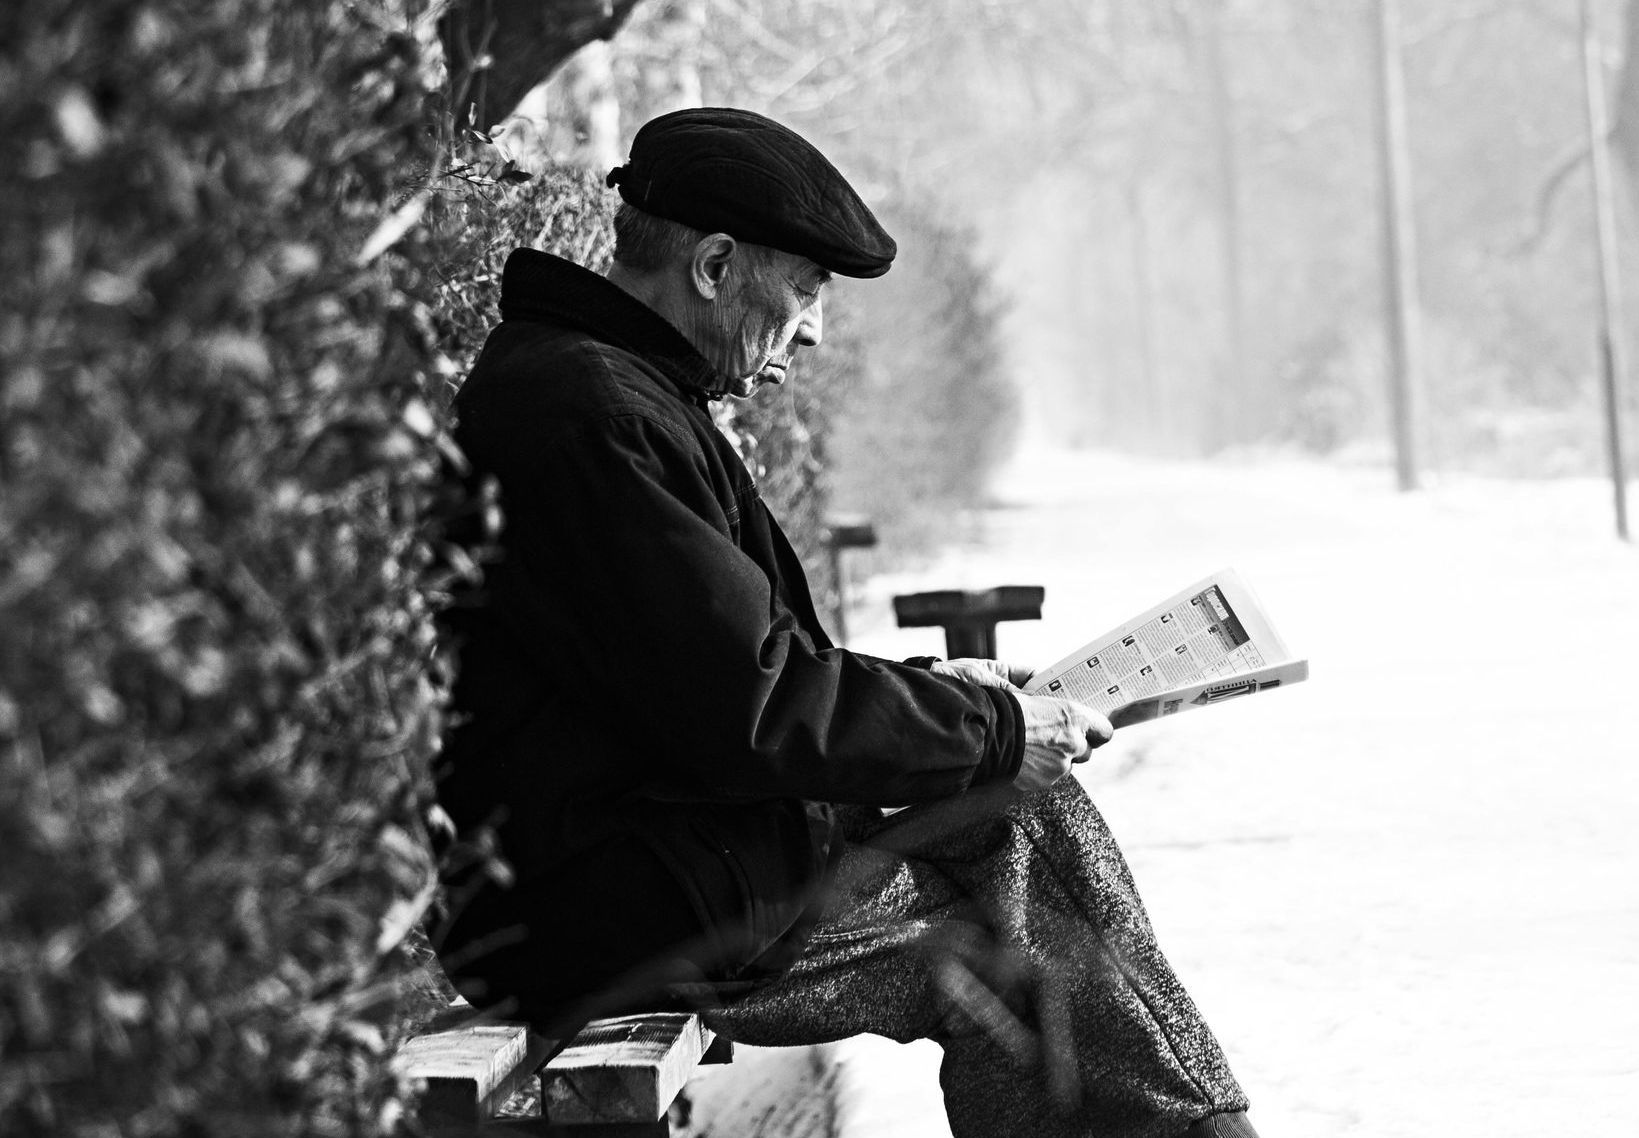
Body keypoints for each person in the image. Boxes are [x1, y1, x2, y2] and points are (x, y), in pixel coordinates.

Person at [435, 107, 1256, 1137]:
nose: (817, 327)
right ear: (717, 265)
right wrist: (989, 730)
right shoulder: (595, 416)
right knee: (1017, 875)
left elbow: (729, 670)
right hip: (600, 909)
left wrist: (962, 705)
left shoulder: (604, 390)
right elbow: (756, 703)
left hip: (628, 863)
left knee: (1015, 881)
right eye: (809, 288)